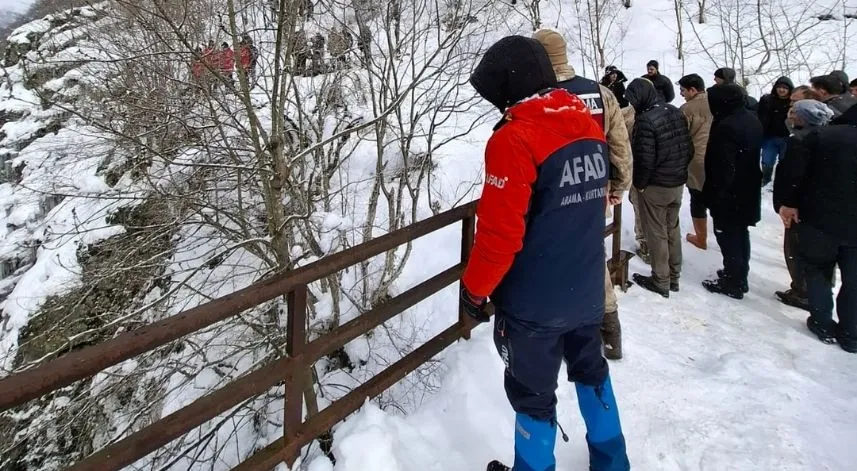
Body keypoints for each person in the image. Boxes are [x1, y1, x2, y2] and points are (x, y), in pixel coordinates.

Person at [460, 35, 630, 471]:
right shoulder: (587, 126)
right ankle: (613, 462)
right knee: (592, 374)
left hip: (536, 302)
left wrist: (475, 291)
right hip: (586, 287)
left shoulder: (515, 139)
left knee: (533, 394)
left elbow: (500, 235)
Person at [533, 28, 633, 360]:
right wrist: (619, 186)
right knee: (591, 254)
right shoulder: (600, 93)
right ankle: (609, 329)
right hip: (593, 191)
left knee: (546, 256)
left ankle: (555, 330)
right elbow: (620, 146)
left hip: (551, 195)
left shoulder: (537, 96)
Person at [772, 104, 857, 353]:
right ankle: (852, 333)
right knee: (854, 280)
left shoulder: (821, 136)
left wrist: (788, 203)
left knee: (818, 269)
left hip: (820, 219)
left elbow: (792, 174)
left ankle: (822, 322)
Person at [626, 78, 693, 297]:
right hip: (676, 181)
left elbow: (645, 159)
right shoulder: (674, 111)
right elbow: (688, 147)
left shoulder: (645, 121)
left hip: (656, 184)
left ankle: (661, 279)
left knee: (656, 232)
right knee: (671, 229)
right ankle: (674, 275)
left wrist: (640, 184)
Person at [701, 84, 764, 299]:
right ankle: (738, 275)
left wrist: (715, 195)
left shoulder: (727, 126)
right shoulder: (750, 118)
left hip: (730, 193)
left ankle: (733, 281)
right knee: (739, 235)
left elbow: (724, 167)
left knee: (729, 238)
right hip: (747, 187)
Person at [772, 100, 835, 311]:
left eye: (793, 113)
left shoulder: (800, 140)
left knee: (796, 248)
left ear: (802, 117)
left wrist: (786, 203)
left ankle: (803, 290)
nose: (789, 115)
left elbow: (792, 176)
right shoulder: (827, 136)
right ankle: (814, 288)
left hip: (799, 206)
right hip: (818, 205)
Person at [678, 74, 713, 251]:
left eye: (683, 90)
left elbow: (680, 138)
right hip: (718, 157)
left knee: (697, 199)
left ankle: (701, 238)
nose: (681, 94)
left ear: (693, 90)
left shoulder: (687, 109)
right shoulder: (718, 102)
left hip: (697, 159)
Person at [757, 76, 794, 185]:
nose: (781, 90)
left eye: (785, 88)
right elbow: (759, 115)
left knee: (785, 161)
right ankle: (766, 178)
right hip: (769, 136)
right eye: (779, 87)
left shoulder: (793, 102)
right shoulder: (767, 100)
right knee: (767, 160)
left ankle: (782, 181)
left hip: (786, 137)